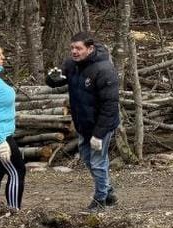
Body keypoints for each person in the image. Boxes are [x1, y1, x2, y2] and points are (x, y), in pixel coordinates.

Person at [46, 32, 121, 211]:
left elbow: (110, 106)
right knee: (88, 160)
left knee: (97, 162)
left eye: (79, 48)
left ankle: (100, 201)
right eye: (72, 48)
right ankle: (109, 193)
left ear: (90, 48)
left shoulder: (104, 70)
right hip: (83, 124)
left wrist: (99, 134)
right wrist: (52, 78)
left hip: (101, 126)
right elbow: (55, 82)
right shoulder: (72, 65)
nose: (74, 51)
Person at [0, 46, 26, 215]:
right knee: (17, 170)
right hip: (1, 136)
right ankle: (14, 212)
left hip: (5, 133)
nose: (3, 57)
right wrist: (0, 140)